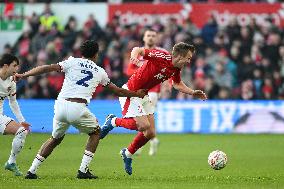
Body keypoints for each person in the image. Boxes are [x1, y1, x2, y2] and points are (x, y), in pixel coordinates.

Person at [14, 40, 146, 179]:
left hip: (60, 106)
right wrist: (136, 94)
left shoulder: (71, 62)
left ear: (81, 52)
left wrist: (24, 75)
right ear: (96, 54)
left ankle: (31, 171)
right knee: (96, 133)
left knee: (55, 139)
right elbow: (118, 91)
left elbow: (47, 68)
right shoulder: (99, 71)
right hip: (77, 107)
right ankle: (83, 171)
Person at [100, 42, 207, 175]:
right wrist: (134, 57)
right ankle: (113, 121)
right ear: (180, 56)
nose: (189, 61)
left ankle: (127, 153)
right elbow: (138, 49)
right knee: (143, 125)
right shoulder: (162, 57)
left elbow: (177, 83)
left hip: (143, 94)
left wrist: (192, 92)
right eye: (188, 58)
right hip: (131, 92)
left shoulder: (176, 69)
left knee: (150, 133)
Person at [126, 29, 163, 156]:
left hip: (153, 90)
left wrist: (166, 86)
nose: (151, 38)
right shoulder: (138, 52)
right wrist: (142, 70)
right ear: (144, 38)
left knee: (145, 118)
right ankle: (152, 141)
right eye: (148, 35)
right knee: (145, 119)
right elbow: (129, 70)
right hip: (138, 90)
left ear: (156, 38)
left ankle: (140, 145)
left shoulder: (161, 53)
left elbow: (167, 71)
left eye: (153, 36)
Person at [0, 54, 30, 176]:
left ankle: (11, 163)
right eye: (14, 65)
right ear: (6, 66)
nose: (16, 69)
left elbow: (13, 102)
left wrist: (22, 120)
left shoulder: (11, 82)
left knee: (22, 131)